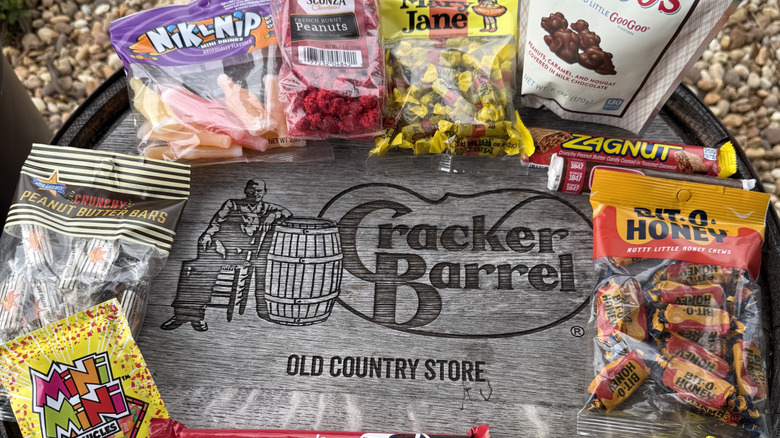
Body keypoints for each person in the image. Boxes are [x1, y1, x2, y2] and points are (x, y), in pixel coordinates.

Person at [161, 179, 291, 331]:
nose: (255, 193)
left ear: (264, 192)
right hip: (220, 248)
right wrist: (208, 235)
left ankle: (191, 315)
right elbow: (216, 222)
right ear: (246, 190)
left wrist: (273, 215)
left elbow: (287, 213)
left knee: (204, 269)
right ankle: (186, 315)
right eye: (252, 190)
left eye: (259, 191)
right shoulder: (233, 204)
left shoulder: (267, 208)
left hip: (241, 255)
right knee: (194, 269)